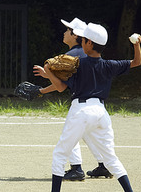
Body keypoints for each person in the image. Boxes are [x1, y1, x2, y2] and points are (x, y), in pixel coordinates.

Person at [31, 22, 141, 192]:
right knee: (110, 157)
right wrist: (137, 44)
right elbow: (136, 62)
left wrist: (48, 72)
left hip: (81, 111)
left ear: (89, 43)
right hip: (101, 113)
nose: (81, 42)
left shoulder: (77, 64)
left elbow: (60, 87)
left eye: (83, 40)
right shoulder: (109, 65)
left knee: (60, 153)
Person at [34, 17, 110, 181]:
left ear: (75, 35)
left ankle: (76, 168)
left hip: (81, 103)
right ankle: (104, 165)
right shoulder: (84, 52)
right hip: (97, 103)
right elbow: (64, 83)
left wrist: (43, 87)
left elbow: (61, 86)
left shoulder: (72, 54)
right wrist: (48, 77)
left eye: (67, 30)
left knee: (71, 132)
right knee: (88, 134)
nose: (64, 32)